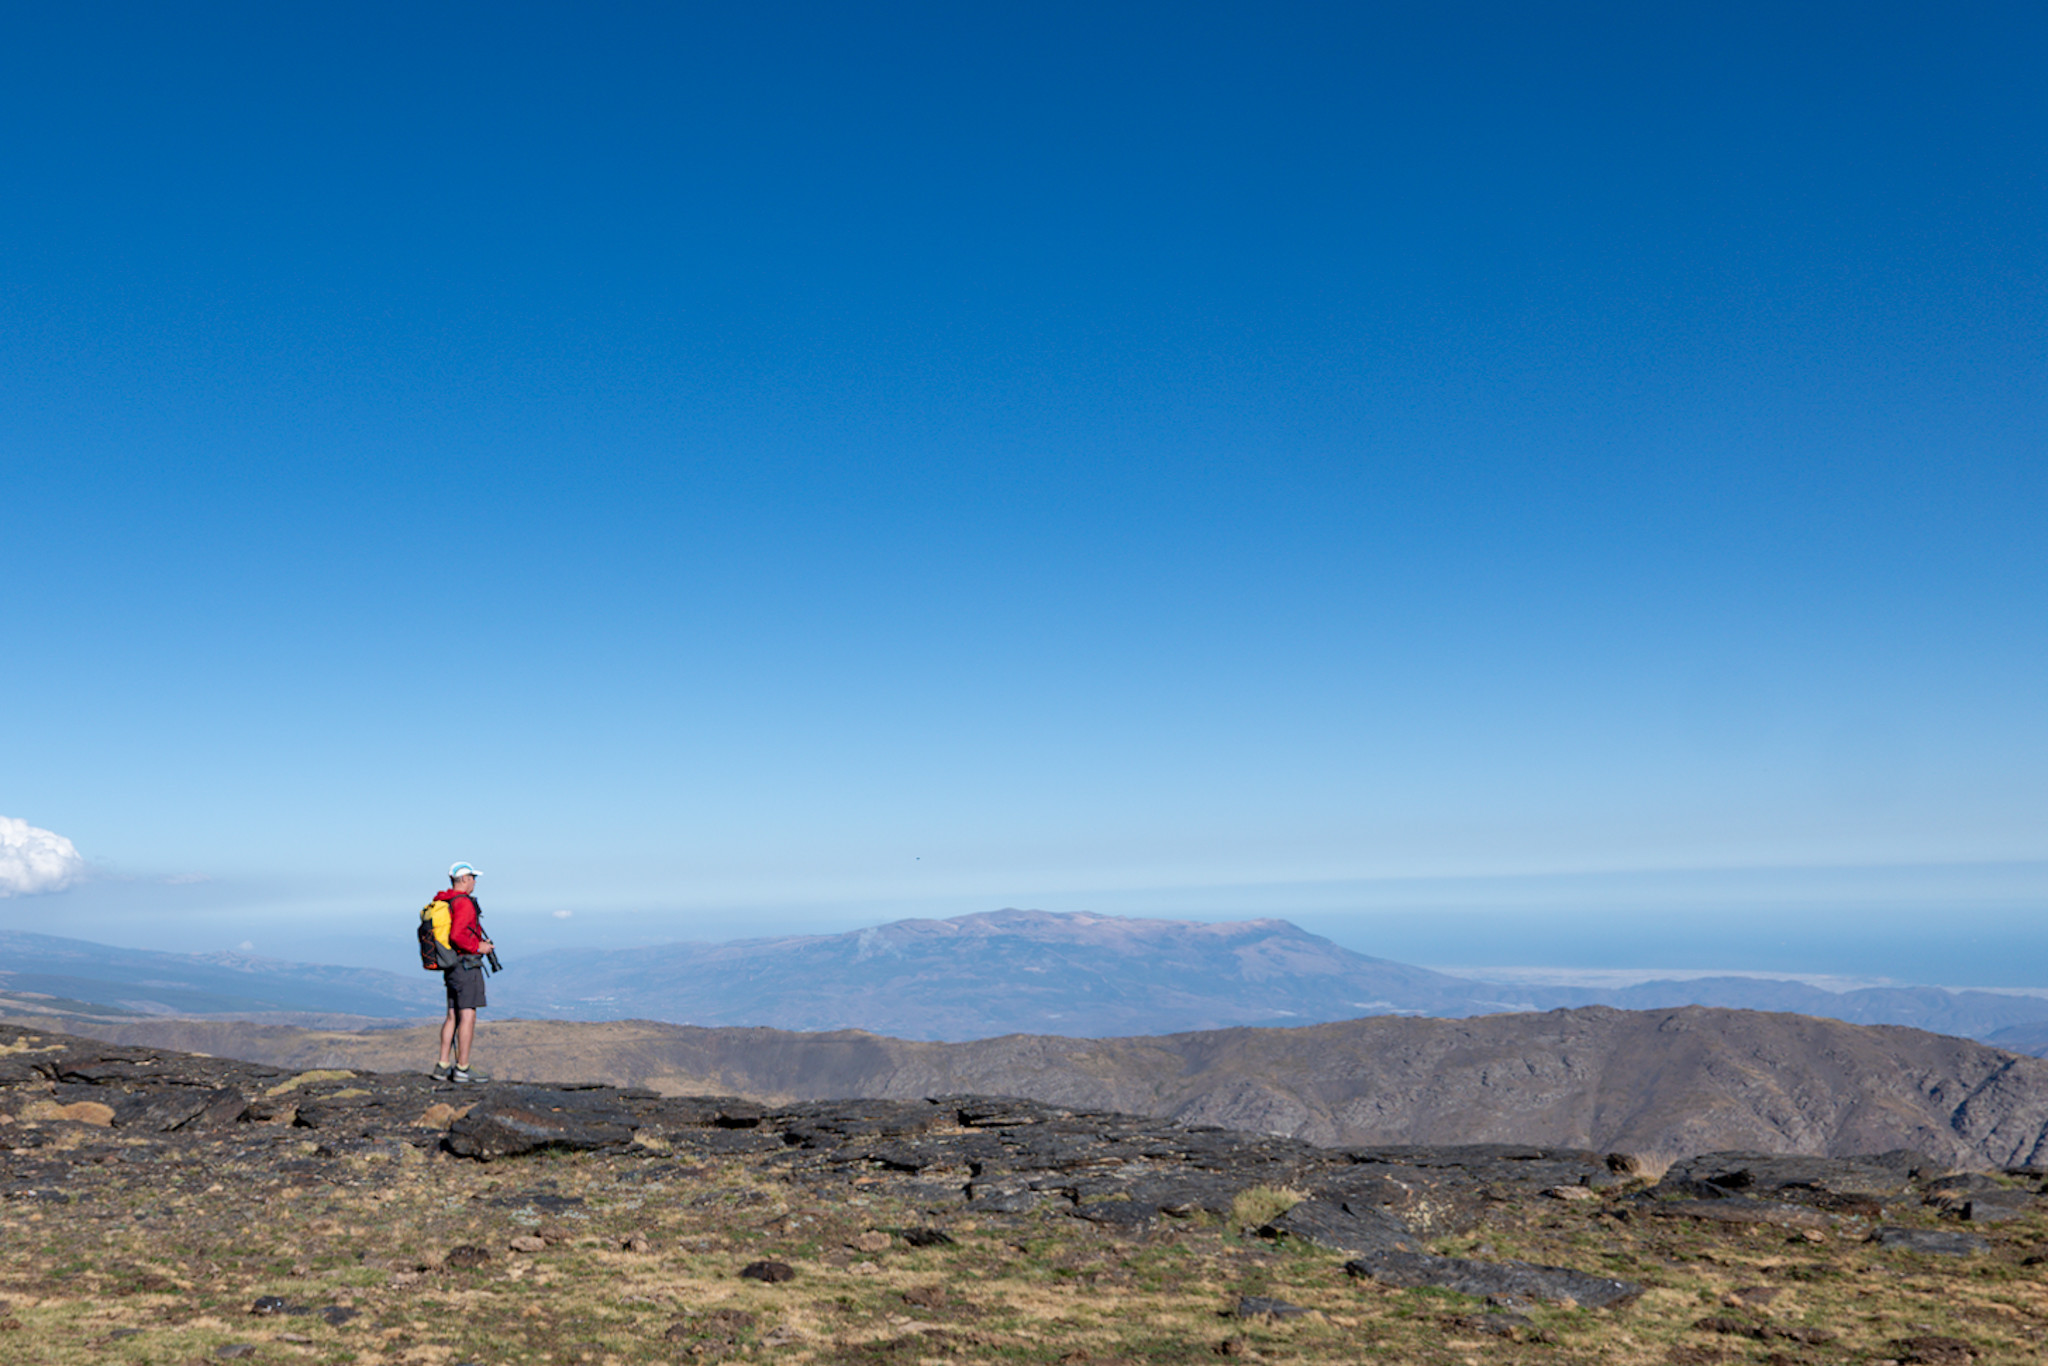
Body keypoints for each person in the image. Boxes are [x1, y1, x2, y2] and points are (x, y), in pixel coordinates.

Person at [431, 862, 496, 1083]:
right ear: (465, 879)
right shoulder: (464, 904)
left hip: (451, 966)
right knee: (468, 1015)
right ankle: (462, 1068)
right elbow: (458, 935)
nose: (475, 882)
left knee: (452, 1015)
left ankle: (442, 1065)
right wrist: (480, 947)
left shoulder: (445, 900)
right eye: (473, 877)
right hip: (466, 966)